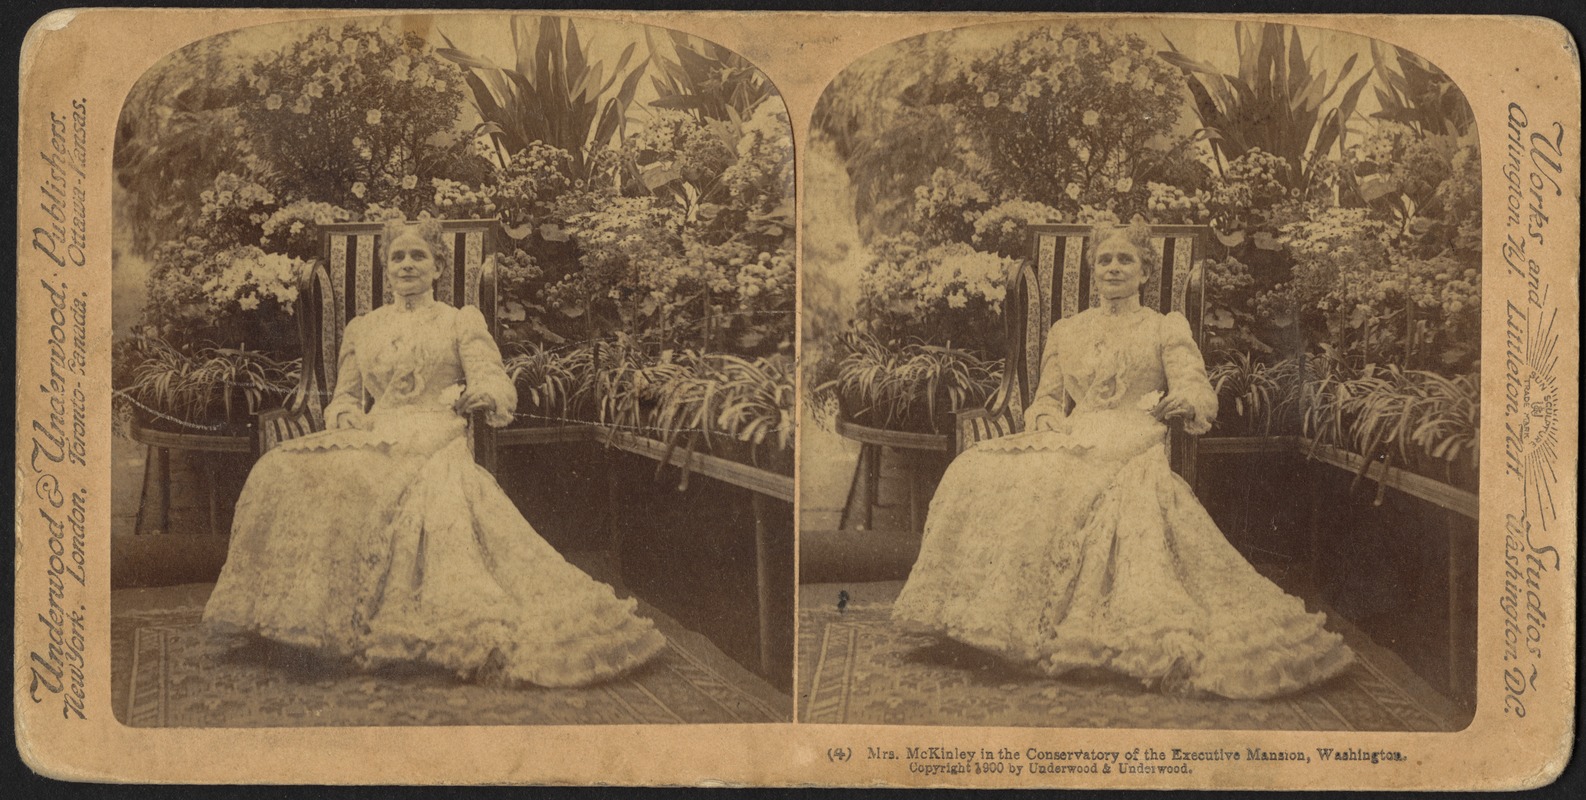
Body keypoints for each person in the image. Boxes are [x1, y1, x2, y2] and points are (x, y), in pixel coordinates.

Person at [892, 221, 1354, 700]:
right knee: (974, 467)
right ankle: (980, 618)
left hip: (1133, 434)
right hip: (1075, 433)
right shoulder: (1066, 331)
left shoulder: (1163, 326)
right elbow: (1046, 400)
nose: (1113, 268)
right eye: (1105, 260)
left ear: (1144, 272)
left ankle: (1043, 625)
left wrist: (1186, 402)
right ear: (1092, 271)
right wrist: (1046, 420)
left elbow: (1195, 385)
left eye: (1125, 260)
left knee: (1060, 481)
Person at [203, 217, 666, 688]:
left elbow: (492, 377)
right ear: (385, 268)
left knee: (362, 480)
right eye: (397, 257)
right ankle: (296, 619)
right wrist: (346, 418)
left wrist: (483, 394)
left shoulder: (459, 320)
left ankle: (351, 624)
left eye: (418, 256)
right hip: (376, 432)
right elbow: (344, 398)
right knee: (279, 466)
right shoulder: (363, 329)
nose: (407, 265)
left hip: (435, 433)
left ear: (437, 267)